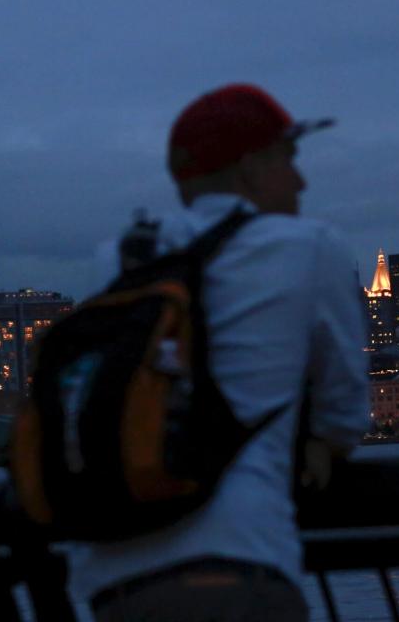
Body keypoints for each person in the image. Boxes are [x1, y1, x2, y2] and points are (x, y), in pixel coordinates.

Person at [73, 83, 369, 622]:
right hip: (241, 573)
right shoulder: (310, 247)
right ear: (252, 168)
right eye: (289, 159)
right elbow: (345, 413)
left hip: (114, 587)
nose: (300, 181)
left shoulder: (119, 257)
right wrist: (322, 442)